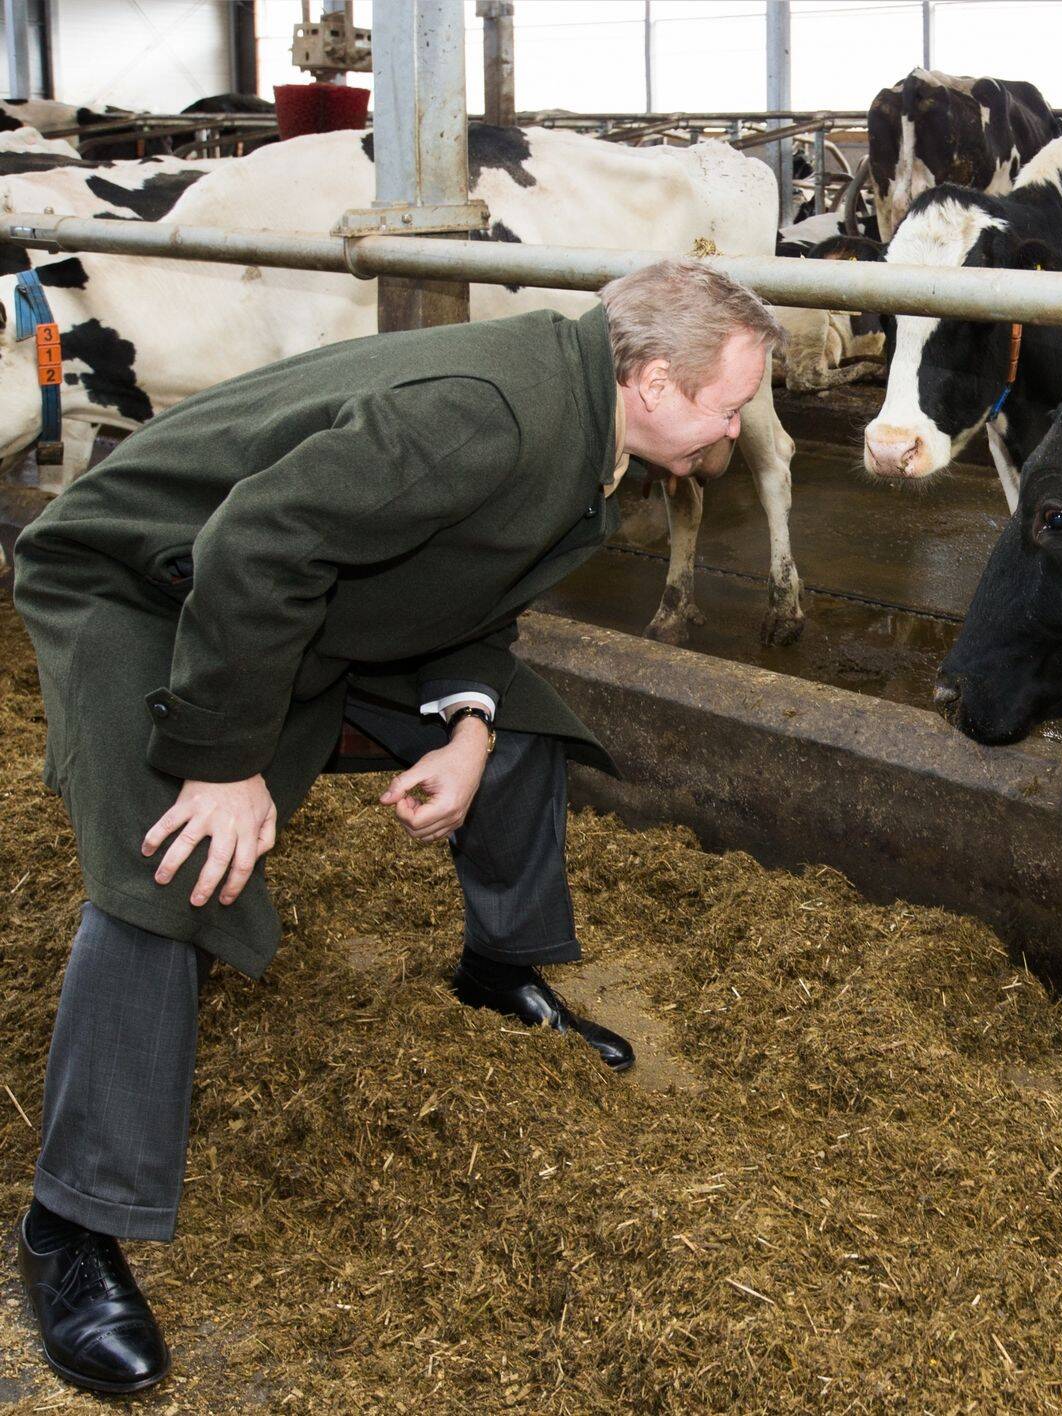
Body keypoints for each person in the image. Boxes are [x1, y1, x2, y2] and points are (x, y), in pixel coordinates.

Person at [9, 259, 786, 1394]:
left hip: (299, 603)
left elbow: (462, 581)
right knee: (172, 865)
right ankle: (69, 1227)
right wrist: (221, 765)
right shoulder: (491, 415)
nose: (732, 431)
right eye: (729, 405)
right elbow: (255, 543)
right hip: (147, 586)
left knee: (520, 733)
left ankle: (496, 968)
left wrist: (468, 726)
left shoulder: (588, 423)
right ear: (657, 381)